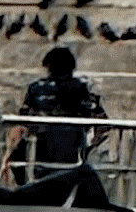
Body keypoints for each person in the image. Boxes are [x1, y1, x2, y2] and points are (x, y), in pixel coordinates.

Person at [13, 44, 106, 178]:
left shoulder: (36, 89)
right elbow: (98, 119)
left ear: (48, 66)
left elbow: (22, 121)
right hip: (72, 151)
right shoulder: (81, 88)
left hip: (42, 153)